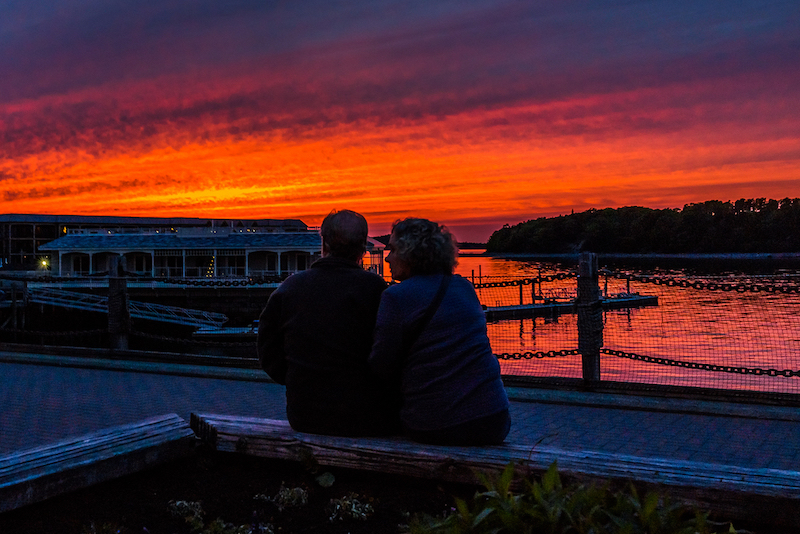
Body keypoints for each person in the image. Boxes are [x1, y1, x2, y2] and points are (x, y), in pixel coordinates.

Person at [369, 218, 510, 445]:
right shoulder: (465, 287)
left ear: (410, 253)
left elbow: (381, 365)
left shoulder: (396, 296)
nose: (387, 257)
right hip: (494, 418)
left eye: (393, 249)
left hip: (438, 423)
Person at [257, 209, 399, 436]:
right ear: (363, 247)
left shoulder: (291, 287)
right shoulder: (377, 289)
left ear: (324, 243)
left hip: (305, 415)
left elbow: (267, 349)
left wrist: (297, 378)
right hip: (365, 416)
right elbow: (391, 354)